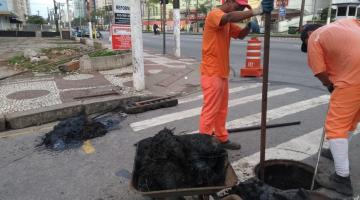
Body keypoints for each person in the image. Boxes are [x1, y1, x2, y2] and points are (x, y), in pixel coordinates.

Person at [199, 0, 274, 150]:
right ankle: (203, 144)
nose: (240, 8)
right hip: (212, 72)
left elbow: (239, 35)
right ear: (228, 2)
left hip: (221, 72)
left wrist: (248, 27)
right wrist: (255, 11)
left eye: (242, 7)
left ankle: (221, 138)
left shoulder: (226, 21)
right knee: (210, 110)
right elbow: (228, 18)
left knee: (221, 109)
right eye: (238, 6)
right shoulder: (215, 15)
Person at [300, 19, 360, 196]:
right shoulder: (347, 22)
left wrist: (329, 84)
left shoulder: (314, 37)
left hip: (353, 79)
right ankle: (336, 152)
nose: (307, 46)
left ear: (307, 35)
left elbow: (319, 71)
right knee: (350, 119)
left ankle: (341, 179)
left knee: (335, 128)